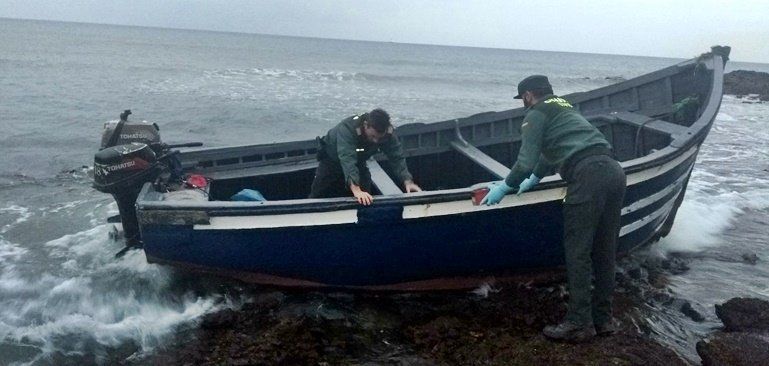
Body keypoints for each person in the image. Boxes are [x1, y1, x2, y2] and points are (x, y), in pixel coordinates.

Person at [481, 75, 627, 342]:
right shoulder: (564, 106)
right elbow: (550, 152)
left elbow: (524, 162)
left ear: (527, 96)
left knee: (578, 251)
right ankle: (604, 320)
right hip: (614, 171)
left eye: (522, 100)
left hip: (587, 176)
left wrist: (506, 186)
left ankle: (578, 323)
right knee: (605, 250)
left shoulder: (535, 113)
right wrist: (535, 178)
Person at [310, 108, 421, 205]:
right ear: (366, 125)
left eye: (379, 138)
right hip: (332, 162)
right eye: (373, 136)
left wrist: (408, 181)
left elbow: (396, 157)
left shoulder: (387, 134)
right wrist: (356, 189)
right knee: (317, 195)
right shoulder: (347, 129)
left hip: (359, 162)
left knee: (367, 196)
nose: (375, 141)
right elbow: (347, 158)